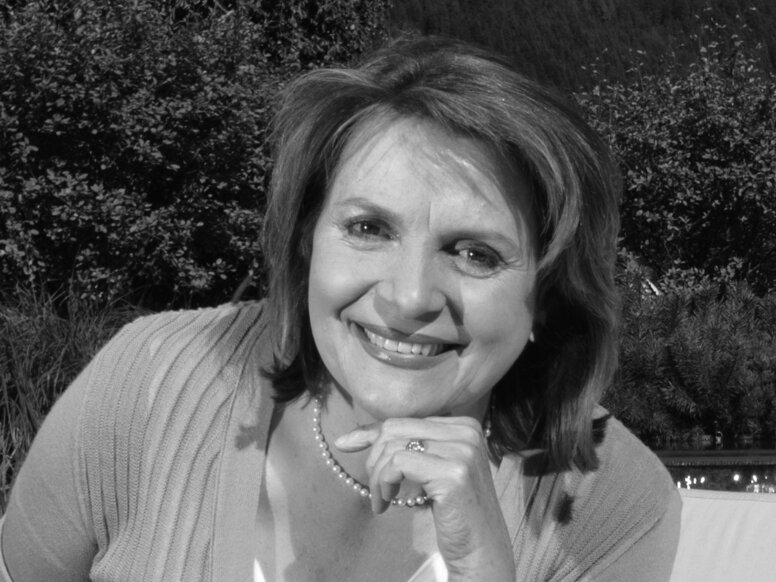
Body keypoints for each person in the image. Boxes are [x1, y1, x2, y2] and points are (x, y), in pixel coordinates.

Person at [0, 35, 680, 581]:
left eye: (475, 253)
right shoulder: (149, 383)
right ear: (306, 241)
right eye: (369, 228)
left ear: (548, 294)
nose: (409, 298)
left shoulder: (612, 505)